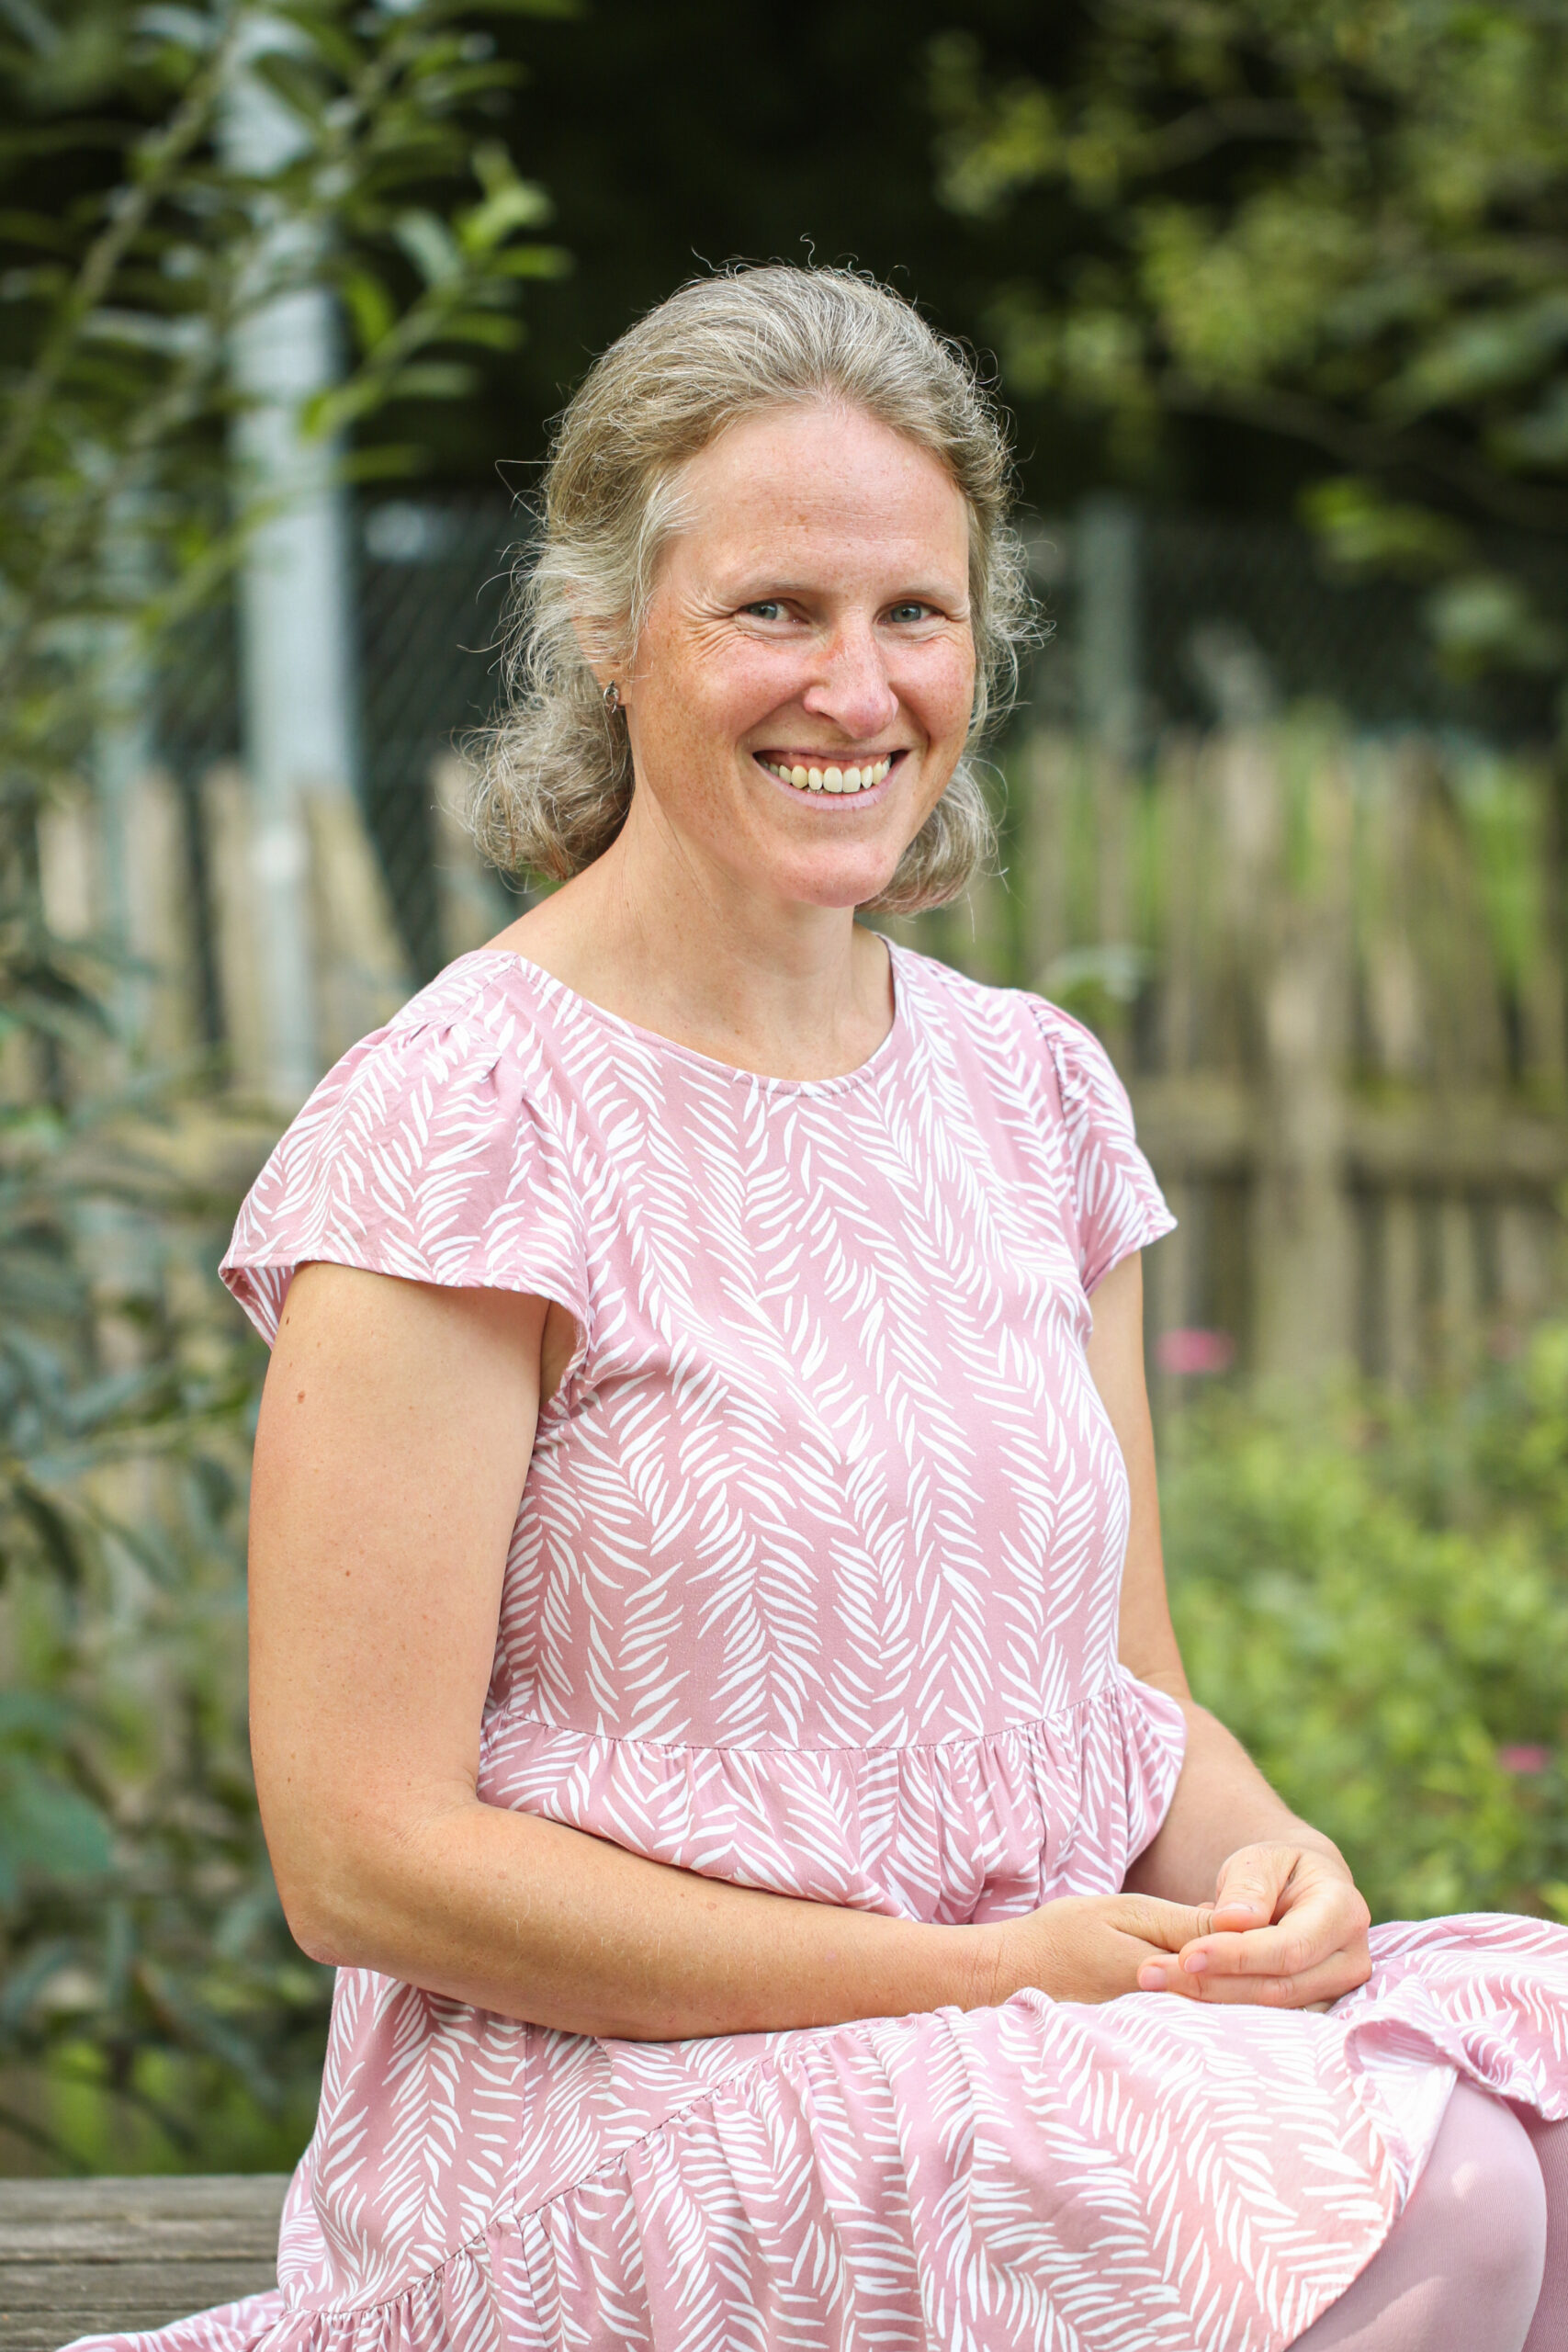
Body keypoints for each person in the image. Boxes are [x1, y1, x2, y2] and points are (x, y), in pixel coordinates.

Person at [77, 266, 1566, 2352]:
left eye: (913, 614)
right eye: (774, 610)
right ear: (607, 629)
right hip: (618, 2116)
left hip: (1035, 2047)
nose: (854, 690)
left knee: (1541, 2084)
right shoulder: (462, 1125)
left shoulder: (1035, 1093)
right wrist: (976, 1978)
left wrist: (1274, 1871)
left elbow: (1123, 1704)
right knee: (1458, 2193)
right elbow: (363, 1858)